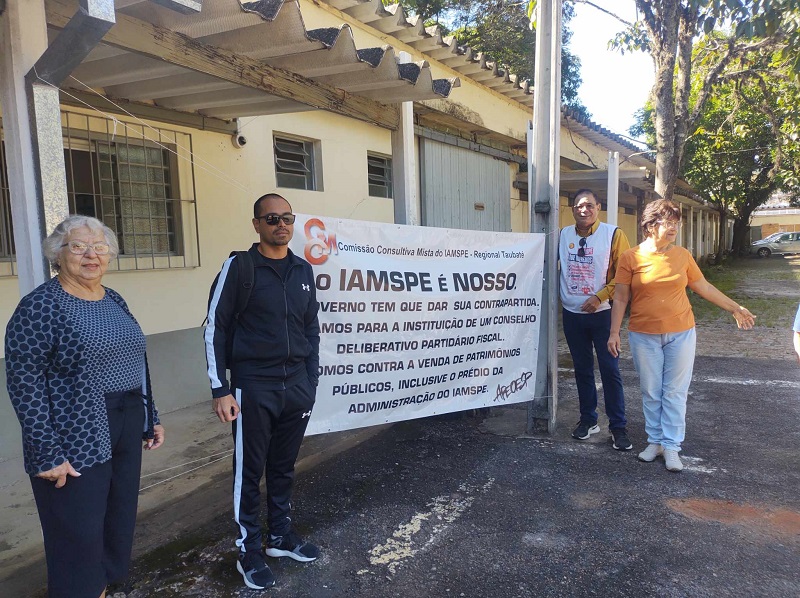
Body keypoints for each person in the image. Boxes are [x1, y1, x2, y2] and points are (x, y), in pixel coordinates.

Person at [5, 215, 165, 598]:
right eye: (78, 246)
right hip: (74, 427)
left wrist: (150, 415)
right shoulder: (41, 306)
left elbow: (135, 359)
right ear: (58, 255)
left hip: (127, 418)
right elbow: (23, 380)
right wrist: (45, 452)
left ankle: (102, 589)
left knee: (117, 517)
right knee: (77, 529)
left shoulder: (113, 298)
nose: (91, 255)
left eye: (99, 247)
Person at [204, 193, 320, 590]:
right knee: (249, 474)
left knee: (284, 468)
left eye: (287, 217)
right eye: (271, 218)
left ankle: (280, 538)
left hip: (296, 389)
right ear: (256, 224)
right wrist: (221, 388)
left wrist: (310, 381)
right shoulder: (240, 268)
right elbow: (214, 328)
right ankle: (249, 551)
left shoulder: (303, 270)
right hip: (253, 387)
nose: (281, 224)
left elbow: (310, 330)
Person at [608, 199, 755, 472]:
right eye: (668, 221)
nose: (674, 227)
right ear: (651, 225)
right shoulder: (631, 257)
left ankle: (672, 446)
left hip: (681, 333)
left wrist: (735, 307)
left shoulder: (683, 256)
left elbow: (703, 286)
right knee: (651, 391)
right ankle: (655, 442)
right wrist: (614, 332)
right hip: (643, 335)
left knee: (675, 392)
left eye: (677, 222)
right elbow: (620, 299)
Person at [559, 188, 633, 450]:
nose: (584, 209)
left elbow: (624, 276)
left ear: (598, 207)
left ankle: (618, 426)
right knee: (582, 370)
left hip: (602, 315)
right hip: (572, 316)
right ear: (572, 210)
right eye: (579, 205)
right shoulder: (563, 235)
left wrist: (600, 296)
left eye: (589, 205)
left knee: (610, 370)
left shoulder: (613, 234)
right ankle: (588, 420)